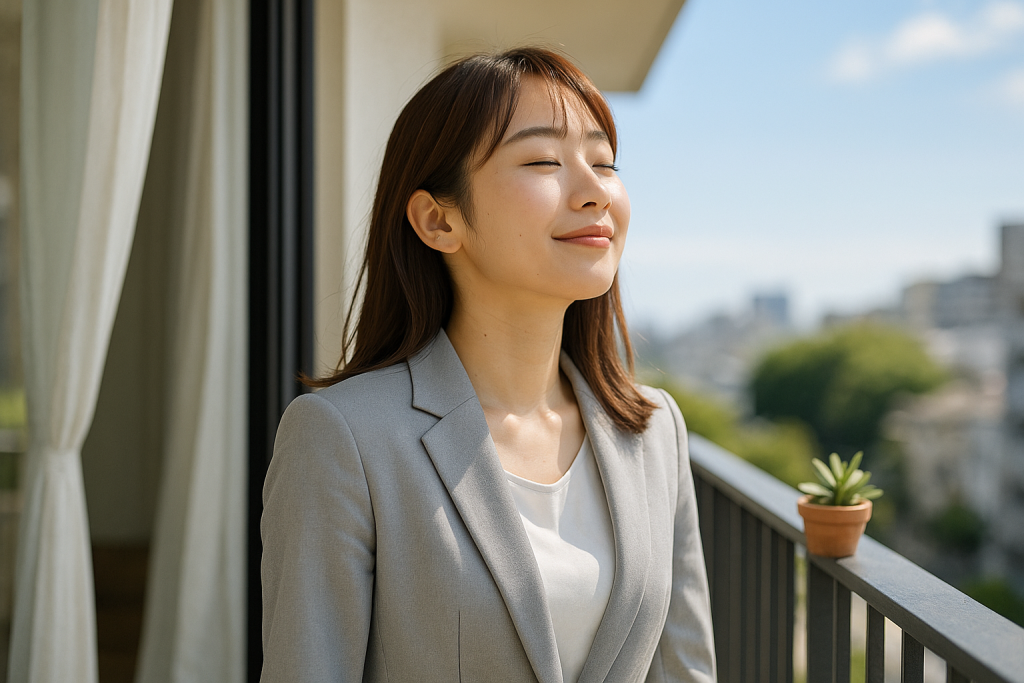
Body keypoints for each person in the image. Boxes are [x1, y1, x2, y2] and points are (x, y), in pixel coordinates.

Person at [260, 47, 717, 683]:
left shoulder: (653, 429)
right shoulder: (344, 438)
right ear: (438, 220)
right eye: (543, 161)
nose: (595, 193)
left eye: (604, 163)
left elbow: (685, 670)